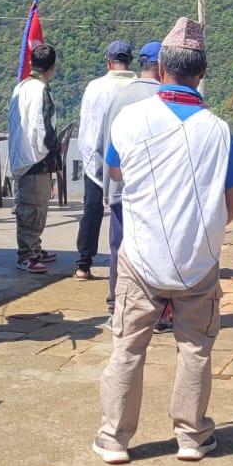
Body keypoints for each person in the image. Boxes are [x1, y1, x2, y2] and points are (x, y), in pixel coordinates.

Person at [93, 18, 233, 465]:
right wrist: (203, 231)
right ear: (202, 73)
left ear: (161, 69)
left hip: (140, 257)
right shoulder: (218, 130)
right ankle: (191, 436)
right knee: (195, 349)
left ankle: (115, 438)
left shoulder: (130, 118)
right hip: (198, 261)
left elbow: (116, 172)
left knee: (127, 348)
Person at [100, 41, 171, 332]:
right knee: (155, 252)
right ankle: (157, 315)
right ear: (163, 67)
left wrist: (107, 190)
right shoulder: (164, 98)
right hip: (153, 195)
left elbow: (106, 144)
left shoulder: (121, 96)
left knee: (119, 251)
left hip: (119, 189)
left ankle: (115, 310)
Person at [74, 40, 136, 281]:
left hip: (96, 160)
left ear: (108, 61)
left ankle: (83, 264)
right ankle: (127, 265)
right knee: (127, 214)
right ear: (130, 61)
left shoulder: (94, 87)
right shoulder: (137, 86)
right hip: (128, 162)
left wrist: (92, 159)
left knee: (92, 210)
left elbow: (87, 126)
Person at [6, 43, 60, 272]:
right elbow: (44, 127)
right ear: (52, 68)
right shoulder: (41, 90)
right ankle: (27, 255)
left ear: (31, 63)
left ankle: (35, 247)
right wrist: (51, 151)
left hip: (23, 154)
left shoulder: (21, 87)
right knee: (31, 209)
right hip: (36, 159)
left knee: (36, 206)